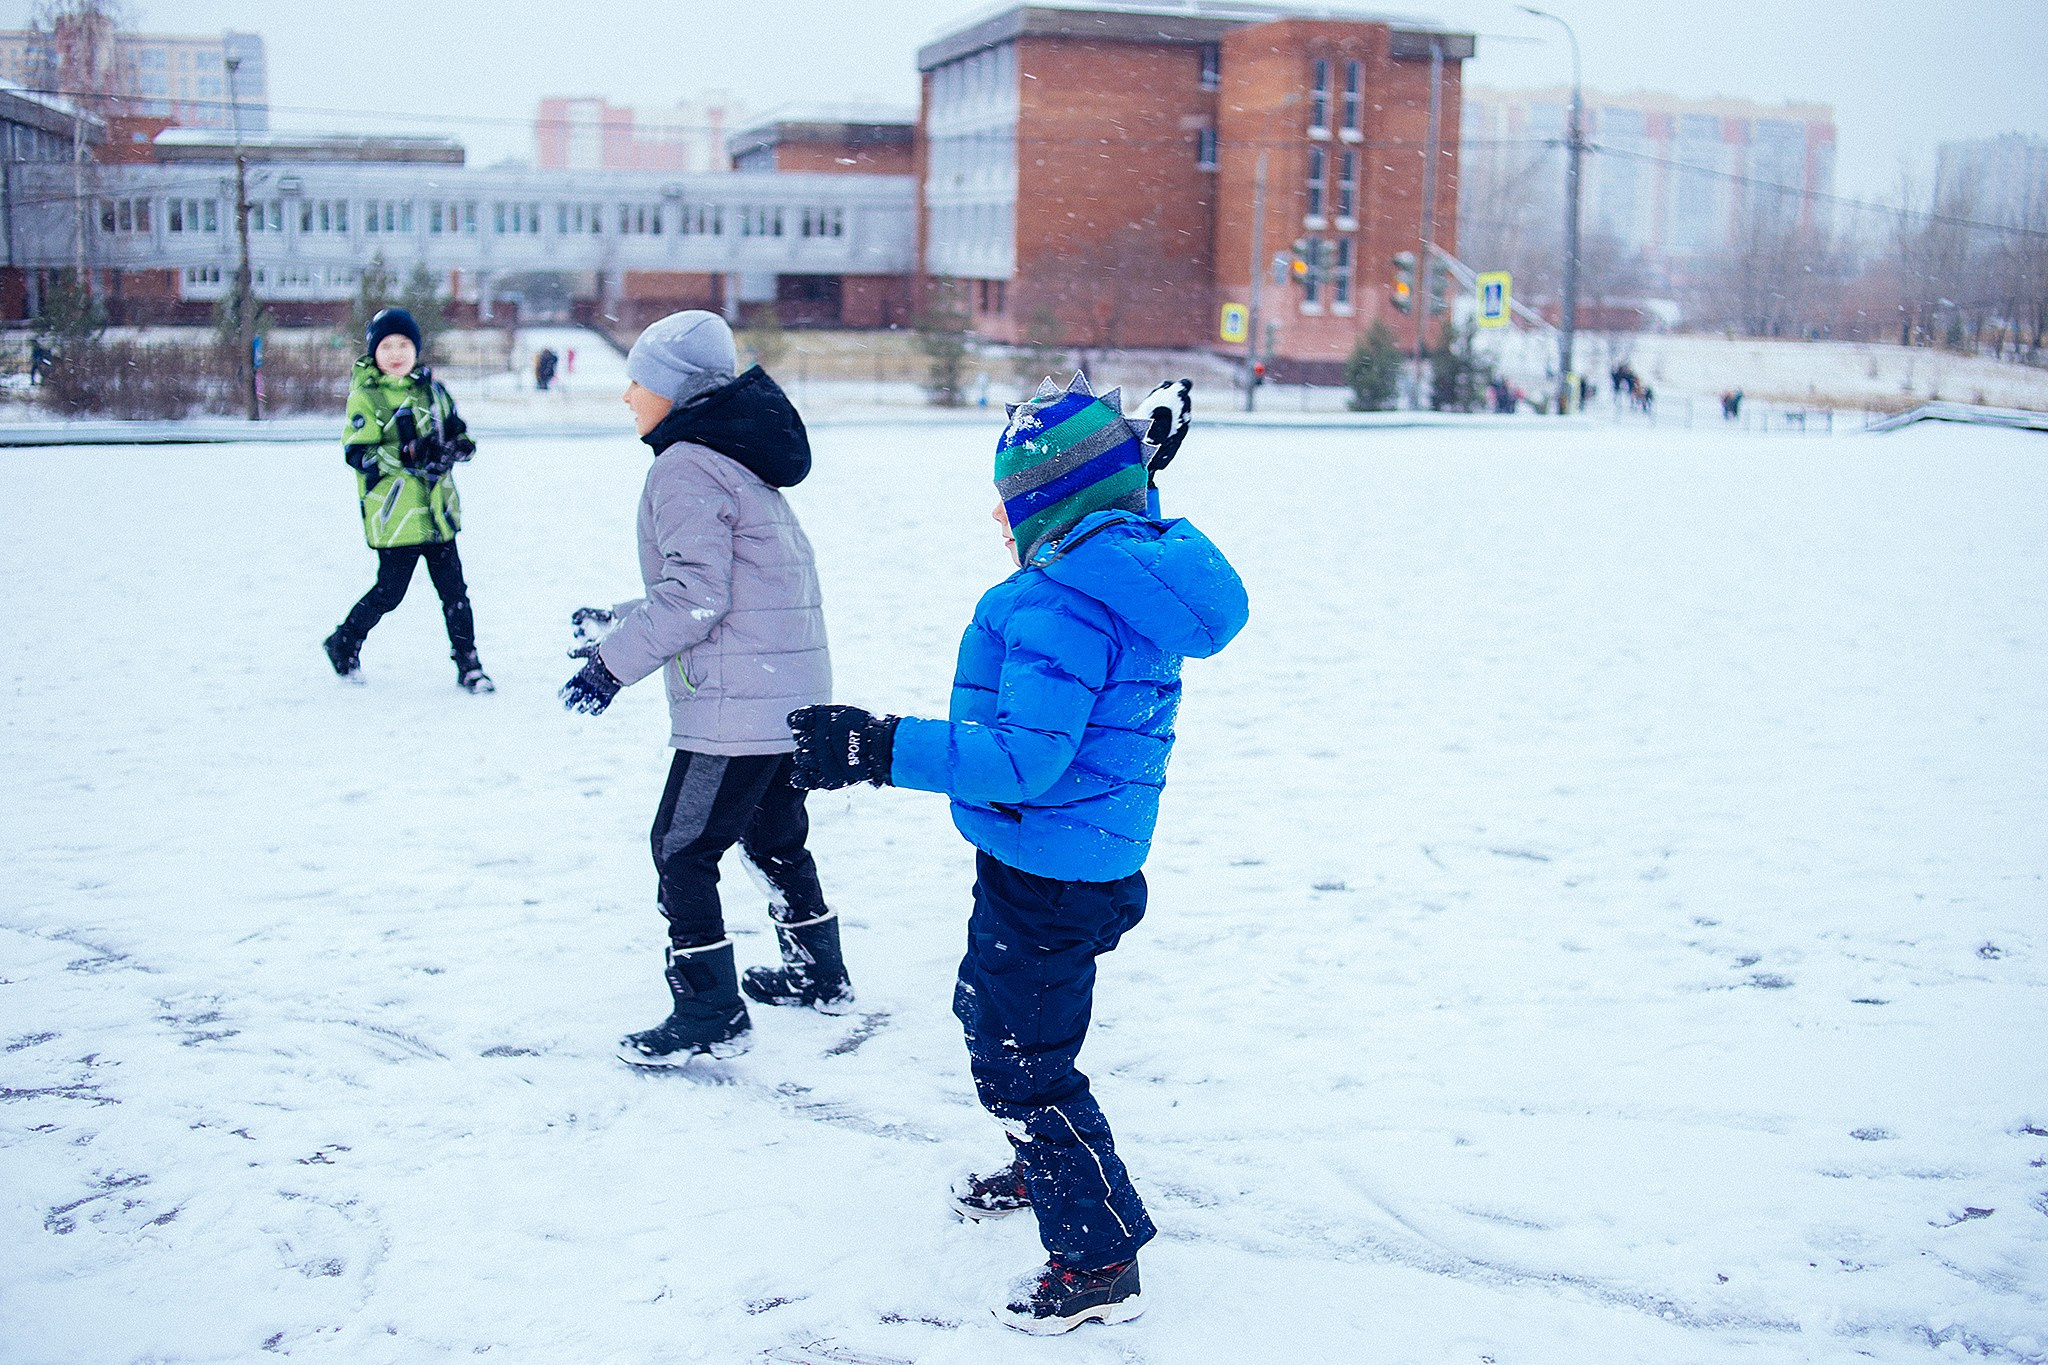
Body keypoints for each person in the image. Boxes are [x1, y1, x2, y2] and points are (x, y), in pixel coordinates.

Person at [785, 374, 1247, 1335]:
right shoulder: (1123, 571)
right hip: (1076, 858)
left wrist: (875, 745)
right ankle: (1048, 1160)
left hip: (1048, 869)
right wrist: (1128, 469)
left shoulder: (1060, 604)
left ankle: (1097, 1255)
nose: (998, 519)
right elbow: (1110, 518)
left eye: (1011, 500)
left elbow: (1024, 760)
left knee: (1023, 1061)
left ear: (1044, 506)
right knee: (995, 1019)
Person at [558, 309, 846, 1067]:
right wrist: (617, 618)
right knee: (775, 836)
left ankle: (709, 1009)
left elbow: (695, 599)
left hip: (736, 706)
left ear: (677, 392)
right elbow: (723, 588)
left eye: (641, 381)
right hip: (786, 691)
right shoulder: (737, 458)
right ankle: (819, 971)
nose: (628, 395)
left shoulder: (684, 464)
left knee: (680, 848)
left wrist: (609, 665)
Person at [322, 307, 490, 693]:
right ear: (374, 352)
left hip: (438, 513)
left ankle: (470, 665)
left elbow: (460, 433)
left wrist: (457, 448)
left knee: (455, 594)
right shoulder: (368, 398)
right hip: (396, 516)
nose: (396, 353)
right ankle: (343, 641)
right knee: (389, 593)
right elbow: (358, 455)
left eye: (404, 345)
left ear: (416, 348)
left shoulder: (434, 393)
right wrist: (408, 453)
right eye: (387, 346)